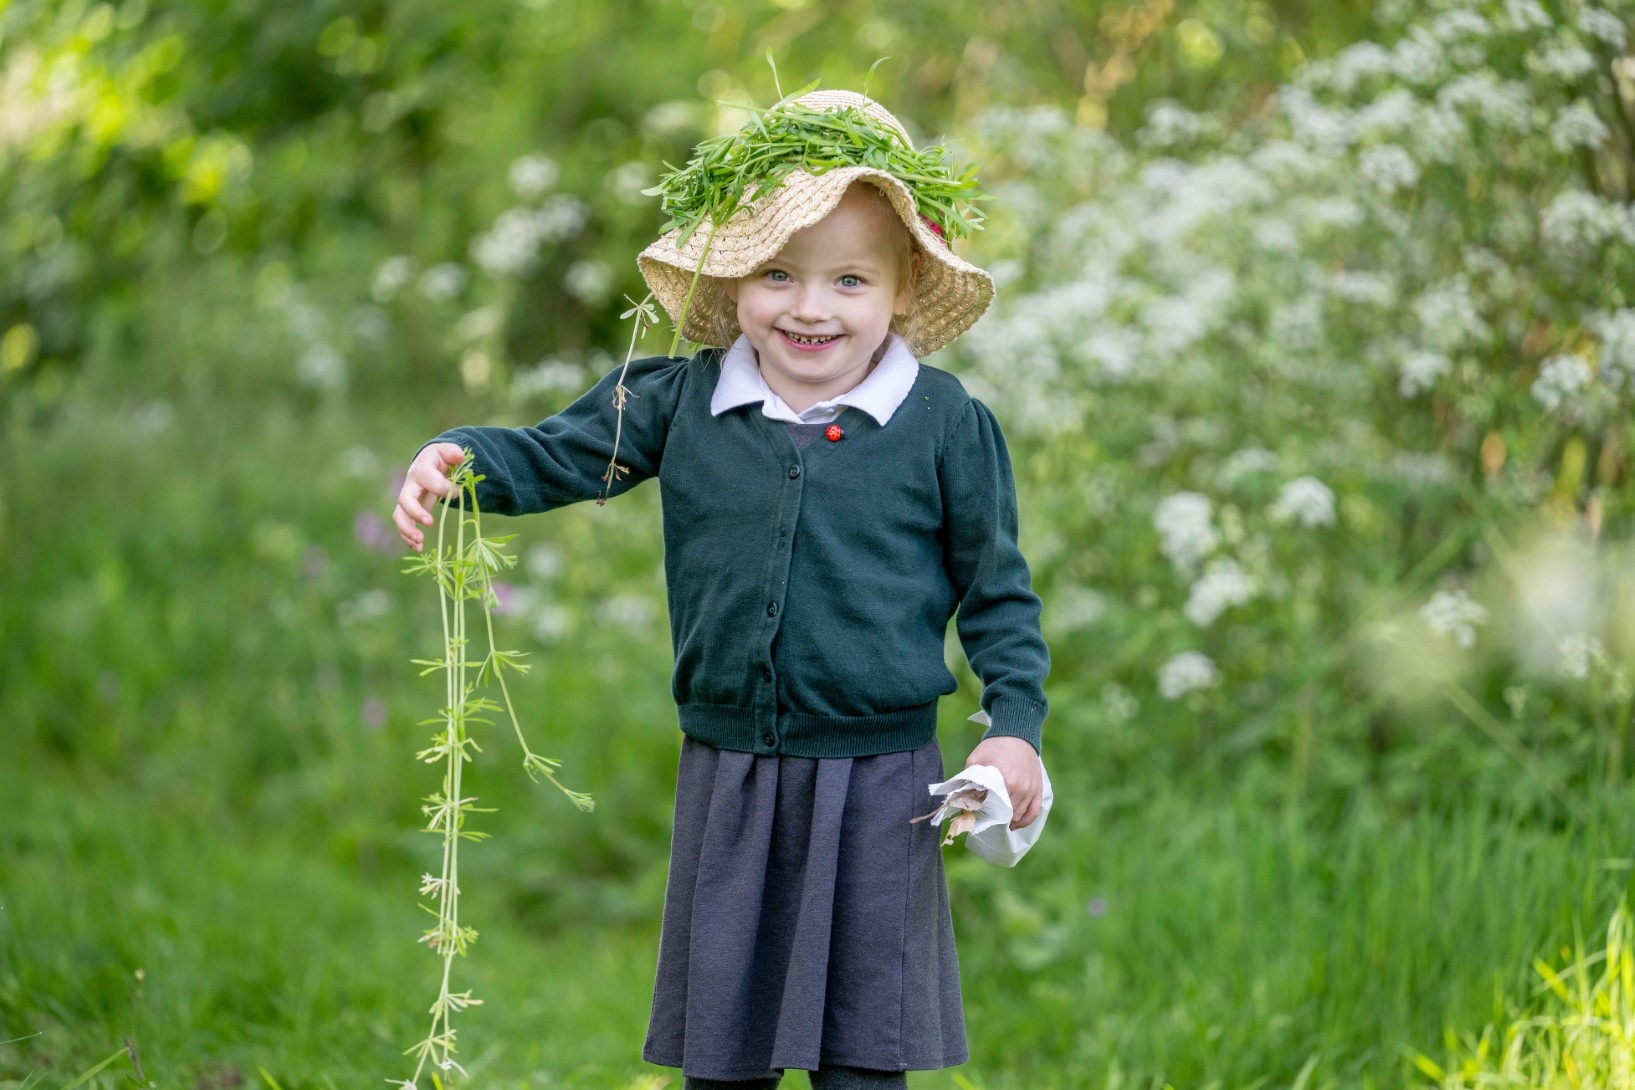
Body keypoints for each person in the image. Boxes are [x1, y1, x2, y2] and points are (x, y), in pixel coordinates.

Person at [392, 89, 1049, 1090]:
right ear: (735, 273)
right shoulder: (681, 400)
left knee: (864, 1051)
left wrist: (1014, 723)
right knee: (722, 1047)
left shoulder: (944, 425)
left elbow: (996, 592)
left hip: (881, 779)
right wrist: (459, 458)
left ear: (905, 288)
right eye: (777, 273)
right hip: (731, 774)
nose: (809, 307)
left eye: (848, 280)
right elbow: (556, 453)